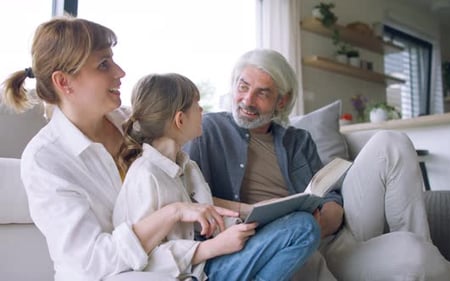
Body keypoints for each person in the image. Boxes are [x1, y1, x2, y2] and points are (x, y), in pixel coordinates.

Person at [183, 48, 450, 281]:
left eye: (262, 93)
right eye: (243, 86)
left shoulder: (297, 140)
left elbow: (329, 196)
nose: (248, 100)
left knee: (391, 142)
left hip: (333, 239)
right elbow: (191, 199)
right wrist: (250, 210)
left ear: (282, 101)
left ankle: (427, 255)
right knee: (411, 255)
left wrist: (330, 213)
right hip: (283, 250)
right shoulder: (209, 130)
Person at [0, 17, 260, 281]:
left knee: (287, 232)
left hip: (178, 264)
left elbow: (184, 193)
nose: (120, 72)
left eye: (113, 60)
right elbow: (92, 263)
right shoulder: (45, 159)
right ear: (65, 82)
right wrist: (172, 213)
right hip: (115, 276)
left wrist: (247, 210)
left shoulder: (131, 123)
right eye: (104, 64)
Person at [112, 72, 320, 281]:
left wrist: (256, 219)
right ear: (180, 119)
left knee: (297, 222)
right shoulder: (145, 175)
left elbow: (207, 220)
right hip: (199, 270)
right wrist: (212, 247)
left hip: (211, 258)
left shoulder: (187, 166)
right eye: (197, 104)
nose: (203, 110)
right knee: (304, 228)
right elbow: (141, 261)